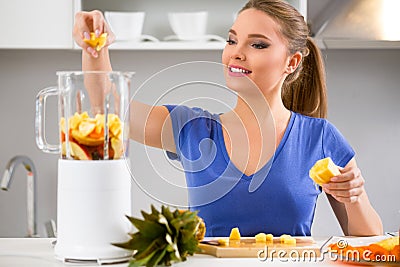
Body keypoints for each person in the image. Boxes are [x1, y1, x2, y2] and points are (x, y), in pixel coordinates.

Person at [73, 0, 383, 237]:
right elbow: (110, 106)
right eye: (232, 40)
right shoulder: (190, 129)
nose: (236, 52)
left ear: (292, 61)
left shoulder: (321, 137)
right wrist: (94, 48)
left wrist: (353, 196)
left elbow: (369, 239)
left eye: (257, 44)